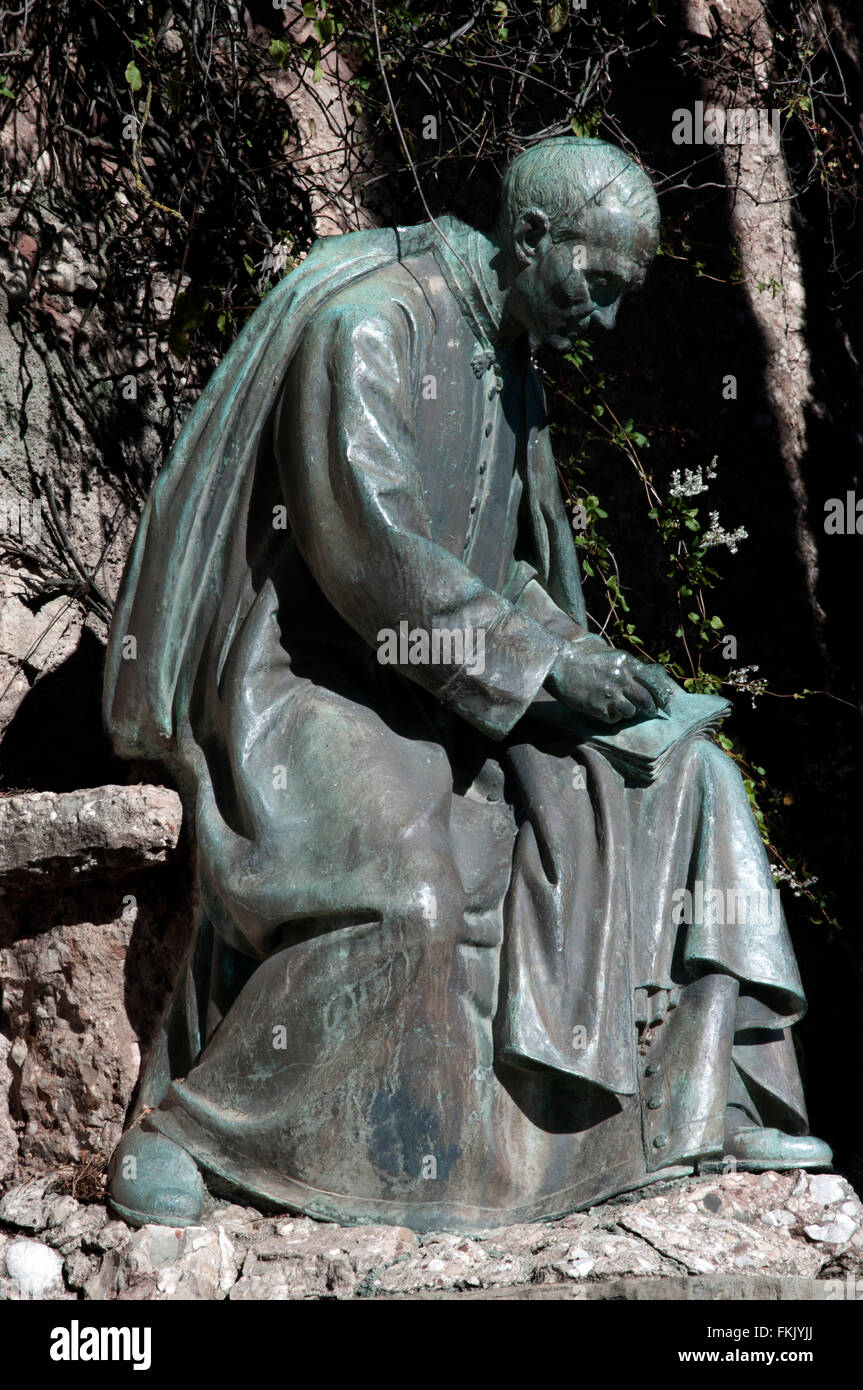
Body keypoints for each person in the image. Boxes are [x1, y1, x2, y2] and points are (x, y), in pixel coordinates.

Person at [104, 138, 830, 1231]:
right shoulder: (374, 323)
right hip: (312, 683)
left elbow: (515, 569)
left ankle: (694, 1105)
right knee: (410, 894)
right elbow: (369, 551)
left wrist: (590, 663)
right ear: (529, 238)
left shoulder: (512, 362)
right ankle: (194, 1130)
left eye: (623, 296)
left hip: (453, 685)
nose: (606, 323)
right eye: (596, 286)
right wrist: (545, 663)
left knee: (689, 782)